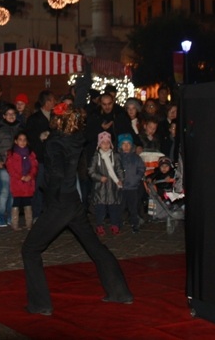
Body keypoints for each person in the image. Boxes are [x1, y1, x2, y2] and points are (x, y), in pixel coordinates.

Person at [22, 104, 133, 315]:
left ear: (59, 120)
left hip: (60, 203)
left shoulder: (55, 143)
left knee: (29, 249)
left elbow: (56, 176)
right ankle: (120, 292)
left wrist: (48, 197)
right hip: (74, 202)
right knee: (95, 248)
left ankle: (40, 304)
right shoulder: (76, 138)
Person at [24, 91, 55, 217]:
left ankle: (49, 213)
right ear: (47, 102)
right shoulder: (34, 119)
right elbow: (30, 139)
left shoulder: (55, 117)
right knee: (38, 186)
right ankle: (37, 213)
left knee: (50, 187)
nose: (54, 103)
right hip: (40, 158)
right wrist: (40, 139)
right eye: (53, 100)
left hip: (52, 159)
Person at [0, 104, 22, 228]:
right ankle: (0, 216)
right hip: (4, 164)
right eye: (8, 114)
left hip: (17, 166)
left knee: (13, 192)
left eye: (13, 114)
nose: (11, 116)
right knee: (4, 191)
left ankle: (11, 216)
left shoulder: (19, 129)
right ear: (4, 116)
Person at [89, 131, 124, 236]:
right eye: (103, 142)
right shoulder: (96, 157)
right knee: (100, 209)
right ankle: (99, 225)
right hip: (101, 189)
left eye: (107, 142)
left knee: (114, 208)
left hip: (113, 187)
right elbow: (91, 171)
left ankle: (115, 224)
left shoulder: (115, 156)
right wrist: (99, 178)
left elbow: (119, 169)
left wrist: (121, 179)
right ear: (99, 144)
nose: (105, 145)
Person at [5, 131, 37, 230]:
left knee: (27, 202)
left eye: (24, 140)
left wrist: (30, 175)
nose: (22, 142)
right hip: (17, 182)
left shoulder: (31, 154)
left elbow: (34, 166)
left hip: (27, 182)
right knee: (16, 202)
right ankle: (14, 224)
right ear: (16, 141)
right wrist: (20, 177)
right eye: (20, 140)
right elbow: (11, 168)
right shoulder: (12, 154)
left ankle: (29, 224)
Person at [116, 133, 145, 234]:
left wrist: (137, 178)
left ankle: (135, 224)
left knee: (133, 207)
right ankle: (117, 224)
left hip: (133, 187)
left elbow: (141, 168)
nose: (126, 146)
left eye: (128, 143)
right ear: (120, 146)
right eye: (123, 144)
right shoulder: (117, 158)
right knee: (120, 207)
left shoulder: (136, 158)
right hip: (121, 188)